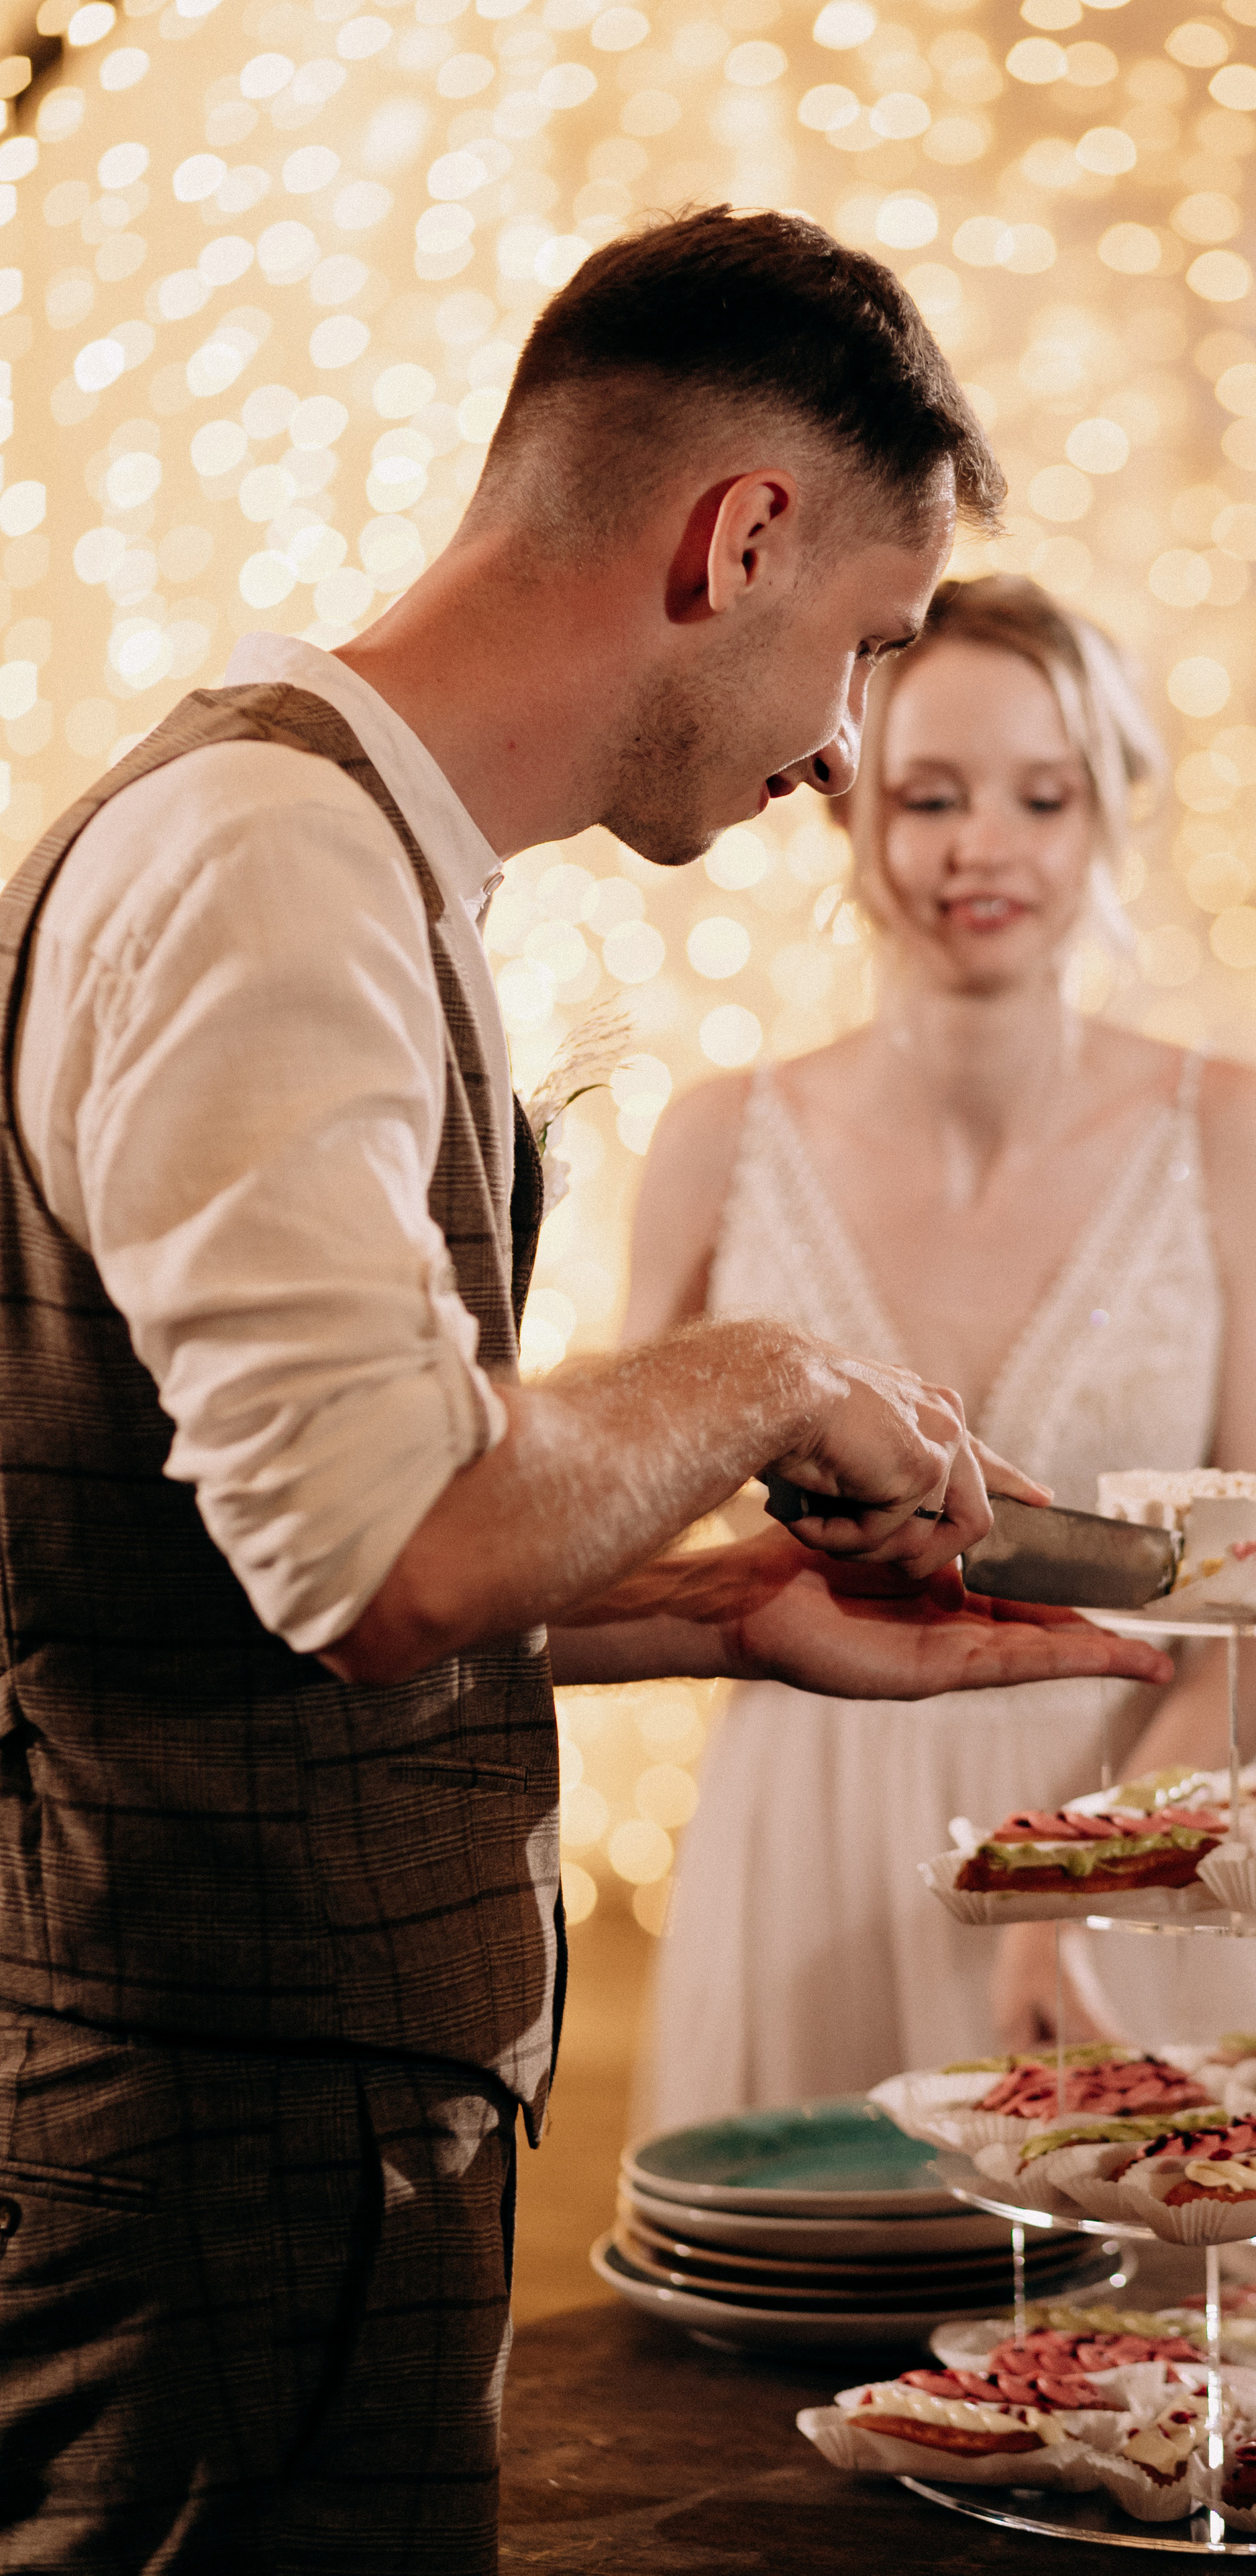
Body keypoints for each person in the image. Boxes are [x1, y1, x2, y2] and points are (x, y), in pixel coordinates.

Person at [0, 213, 1176, 2572]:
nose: (839, 743)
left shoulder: (332, 856)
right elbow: (386, 1554)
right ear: (737, 539)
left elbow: (256, 1551)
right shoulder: (269, 867)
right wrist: (773, 1373)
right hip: (222, 2141)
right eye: (864, 643)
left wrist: (718, 1608)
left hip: (284, 2128)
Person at [629, 574, 1256, 2130]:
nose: (983, 844)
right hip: (815, 1818)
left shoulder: (1236, 1129)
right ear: (850, 810)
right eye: (931, 796)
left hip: (1152, 1812)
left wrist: (1088, 1878)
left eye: (1039, 797)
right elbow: (607, 1519)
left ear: (1103, 813)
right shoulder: (715, 1140)